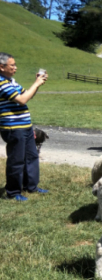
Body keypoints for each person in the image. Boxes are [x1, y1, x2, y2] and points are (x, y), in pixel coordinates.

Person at [0, 52, 49, 201]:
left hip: (25, 126)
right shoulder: (1, 83)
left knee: (31, 156)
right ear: (1, 67)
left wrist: (37, 83)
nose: (16, 67)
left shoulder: (12, 82)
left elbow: (27, 95)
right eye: (12, 65)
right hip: (13, 128)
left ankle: (31, 186)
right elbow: (21, 100)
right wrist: (36, 84)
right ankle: (13, 192)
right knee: (17, 160)